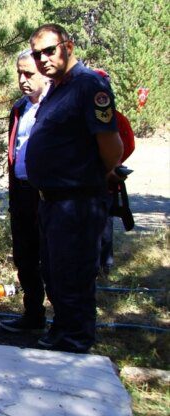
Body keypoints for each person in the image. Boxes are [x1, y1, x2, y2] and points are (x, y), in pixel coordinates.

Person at [26, 24, 123, 353]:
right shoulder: (57, 87)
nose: (42, 60)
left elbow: (111, 147)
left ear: (69, 46)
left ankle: (75, 342)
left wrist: (94, 176)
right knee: (54, 273)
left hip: (77, 201)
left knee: (74, 277)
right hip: (52, 202)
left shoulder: (90, 86)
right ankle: (63, 329)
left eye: (49, 51)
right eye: (36, 54)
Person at [0, 50, 49, 334]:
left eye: (29, 74)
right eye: (19, 73)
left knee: (52, 259)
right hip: (21, 194)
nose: (22, 80)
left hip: (49, 195)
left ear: (44, 71)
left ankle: (66, 324)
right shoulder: (19, 108)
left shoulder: (55, 105)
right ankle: (33, 315)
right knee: (25, 257)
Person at [93, 68, 136, 279]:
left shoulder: (116, 117)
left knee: (105, 222)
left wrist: (113, 163)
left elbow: (128, 144)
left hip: (108, 181)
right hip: (86, 179)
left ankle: (105, 263)